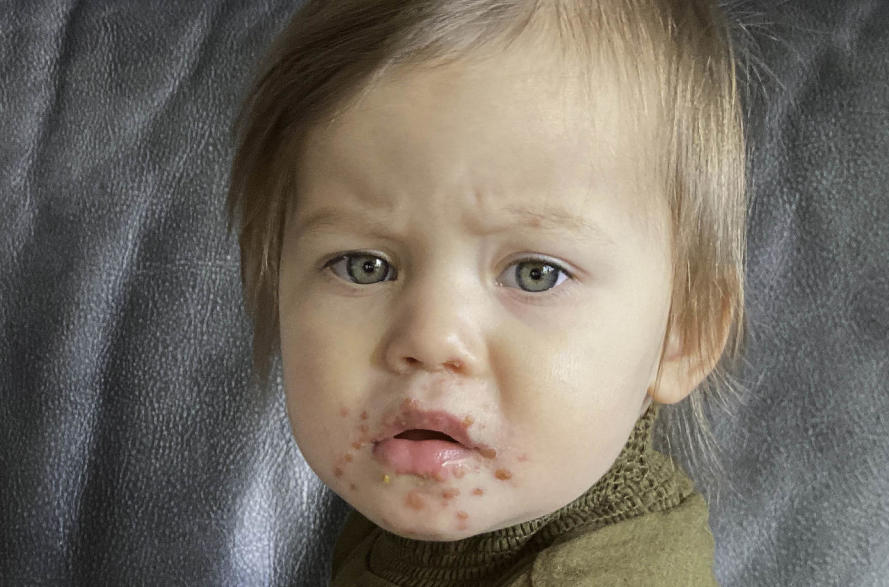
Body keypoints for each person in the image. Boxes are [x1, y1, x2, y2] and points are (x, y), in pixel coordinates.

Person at [227, 0, 748, 584]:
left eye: (535, 273)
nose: (431, 338)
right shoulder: (390, 528)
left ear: (685, 332)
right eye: (364, 266)